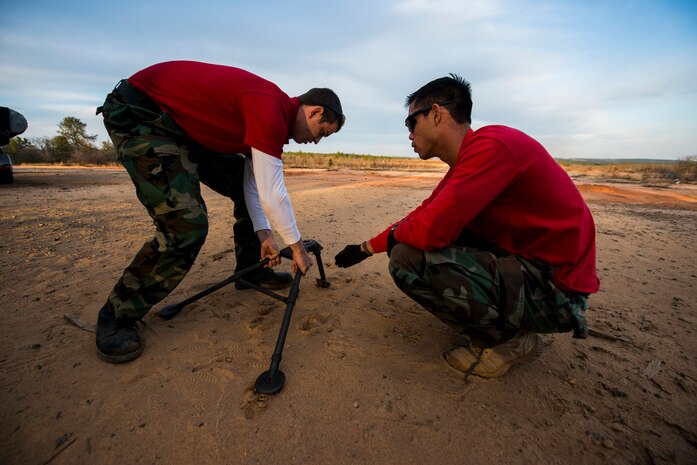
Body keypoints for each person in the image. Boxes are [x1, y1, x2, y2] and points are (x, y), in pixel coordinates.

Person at [335, 74, 598, 379]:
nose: (408, 135)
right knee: (428, 237)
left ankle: (509, 343)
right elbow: (421, 214)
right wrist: (365, 248)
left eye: (410, 123)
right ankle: (508, 323)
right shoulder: (473, 157)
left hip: (558, 293)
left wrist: (393, 239)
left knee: (407, 259)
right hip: (539, 273)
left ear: (436, 113)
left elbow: (430, 229)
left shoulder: (493, 146)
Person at [95, 60, 345, 363]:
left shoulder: (272, 117)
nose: (316, 141)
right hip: (144, 115)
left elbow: (252, 185)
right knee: (185, 226)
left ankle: (250, 271)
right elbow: (272, 195)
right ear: (314, 111)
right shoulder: (270, 108)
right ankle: (117, 315)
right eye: (322, 132)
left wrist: (265, 234)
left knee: (239, 179)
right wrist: (297, 247)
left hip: (184, 129)